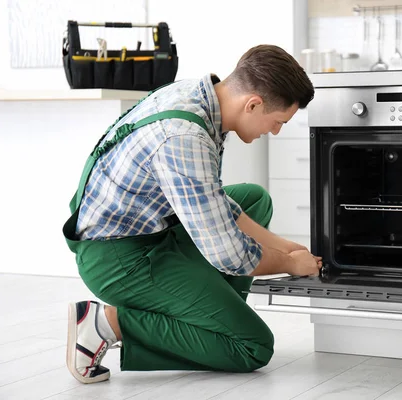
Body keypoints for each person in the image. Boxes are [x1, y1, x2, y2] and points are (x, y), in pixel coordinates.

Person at [62, 44, 318, 384]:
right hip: (119, 259)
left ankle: (216, 315)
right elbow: (229, 253)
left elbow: (213, 204)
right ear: (253, 104)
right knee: (252, 346)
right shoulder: (184, 137)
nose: (275, 132)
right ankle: (106, 324)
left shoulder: (199, 96)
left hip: (150, 232)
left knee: (254, 199)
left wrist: (288, 247)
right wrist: (288, 264)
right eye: (277, 122)